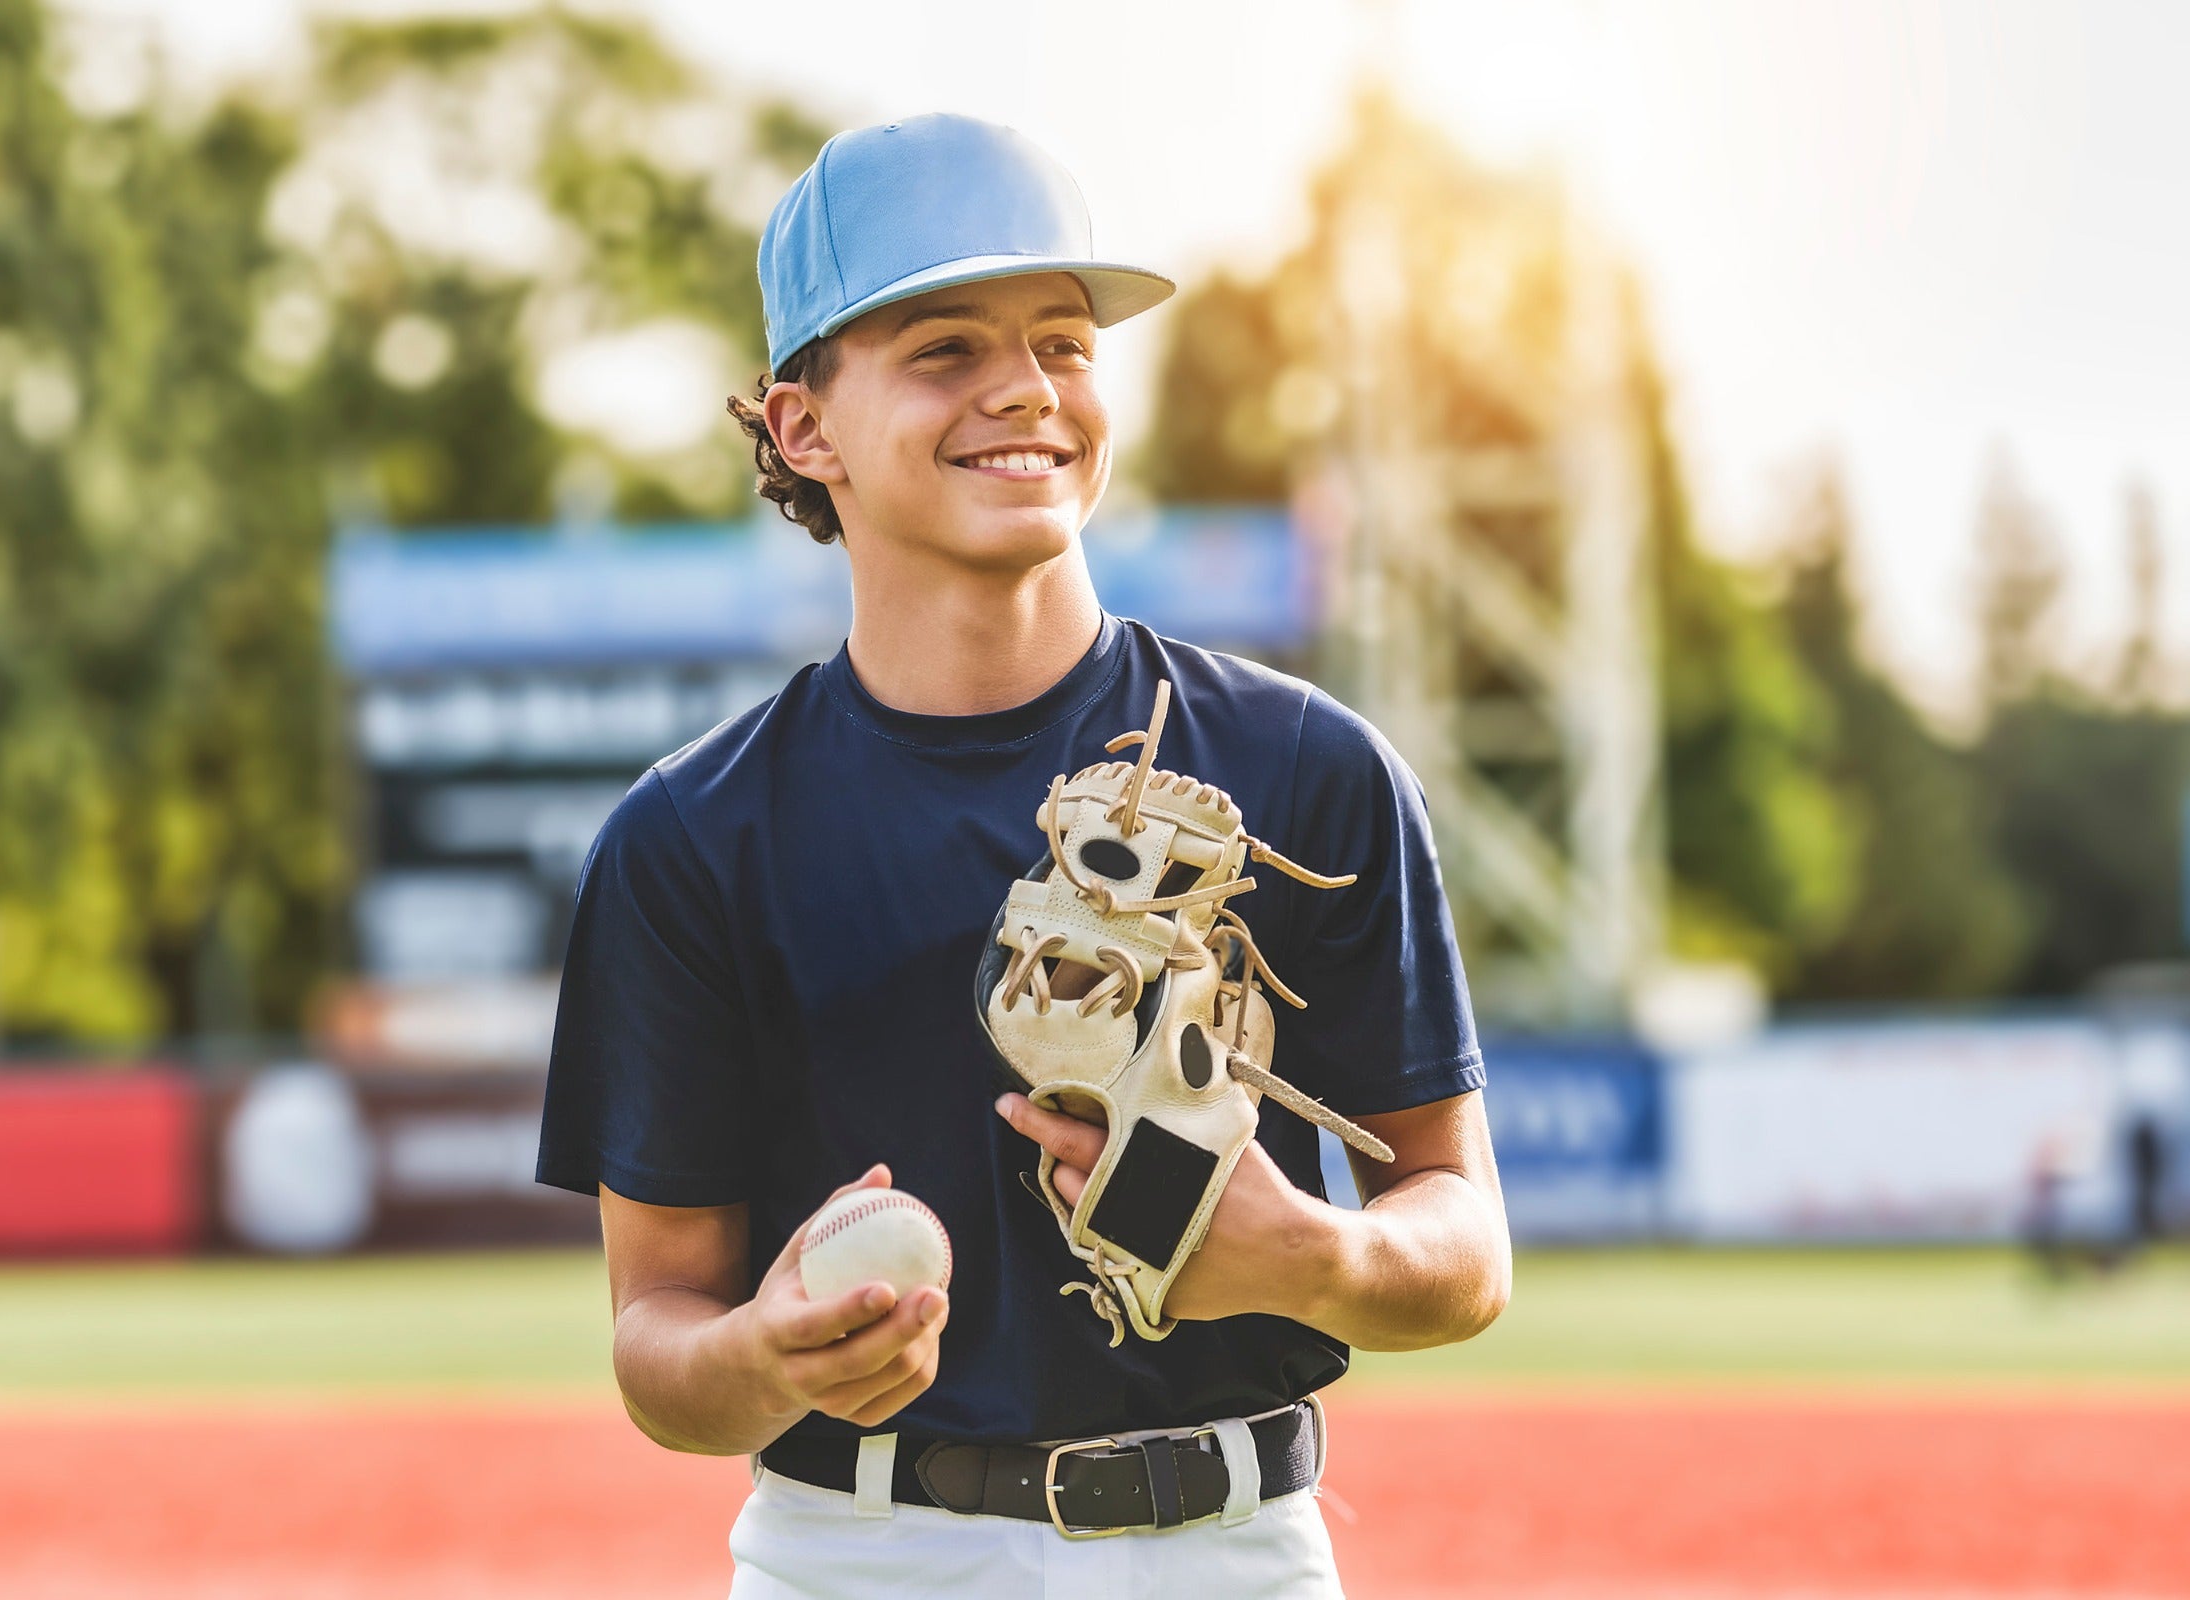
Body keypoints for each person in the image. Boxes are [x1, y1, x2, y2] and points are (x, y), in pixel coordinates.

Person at [537, 113, 1511, 1597]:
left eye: (1063, 343)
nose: (1027, 392)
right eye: (945, 349)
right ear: (805, 428)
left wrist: (1309, 1256)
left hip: (1233, 1555)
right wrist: (760, 1355)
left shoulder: (1306, 771)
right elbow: (657, 1336)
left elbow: (1463, 1241)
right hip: (852, 1560)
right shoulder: (690, 839)